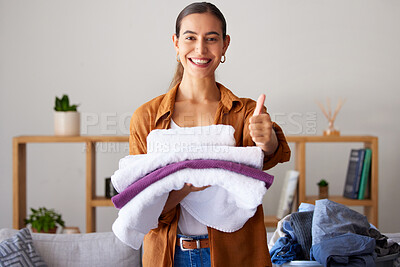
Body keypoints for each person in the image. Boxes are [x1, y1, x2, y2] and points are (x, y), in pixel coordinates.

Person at [128, 2, 291, 266]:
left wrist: (268, 141)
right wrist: (189, 183)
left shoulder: (245, 113)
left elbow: (266, 160)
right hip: (170, 255)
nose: (200, 49)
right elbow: (141, 206)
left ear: (225, 45)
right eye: (190, 37)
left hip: (234, 254)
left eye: (211, 39)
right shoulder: (147, 117)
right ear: (176, 43)